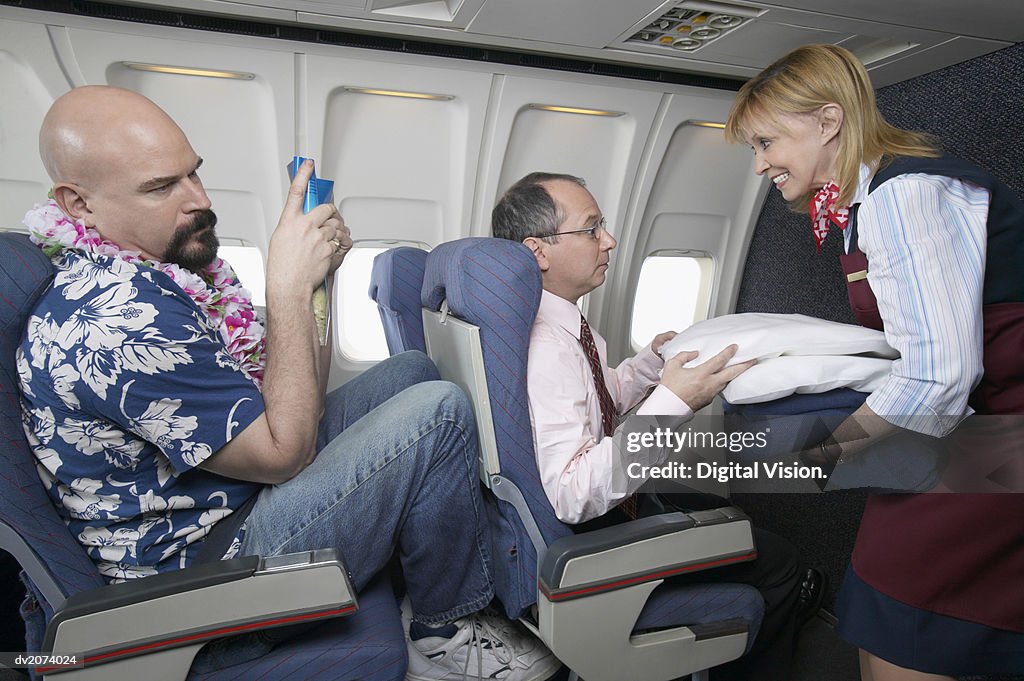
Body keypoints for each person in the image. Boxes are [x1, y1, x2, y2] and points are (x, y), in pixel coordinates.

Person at [18, 85, 560, 681]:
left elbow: (292, 392)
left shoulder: (154, 278)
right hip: (197, 586)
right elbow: (282, 452)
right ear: (78, 204)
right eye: (160, 187)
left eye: (193, 174)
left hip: (224, 504)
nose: (198, 201)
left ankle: (426, 588)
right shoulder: (116, 317)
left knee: (411, 374)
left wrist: (315, 285)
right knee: (437, 411)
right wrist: (284, 285)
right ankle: (443, 633)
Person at [725, 44, 1024, 679]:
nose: (760, 164)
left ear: (827, 121)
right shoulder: (867, 202)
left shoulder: (906, 195)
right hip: (980, 419)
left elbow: (935, 375)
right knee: (889, 592)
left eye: (766, 142)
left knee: (901, 603)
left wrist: (829, 452)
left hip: (1004, 425)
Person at [491, 172, 825, 681]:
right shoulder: (547, 348)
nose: (610, 240)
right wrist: (674, 402)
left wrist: (652, 363)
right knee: (779, 561)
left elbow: (595, 403)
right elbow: (572, 492)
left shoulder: (558, 323)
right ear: (539, 251)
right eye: (592, 228)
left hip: (616, 506)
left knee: (725, 511)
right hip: (595, 533)